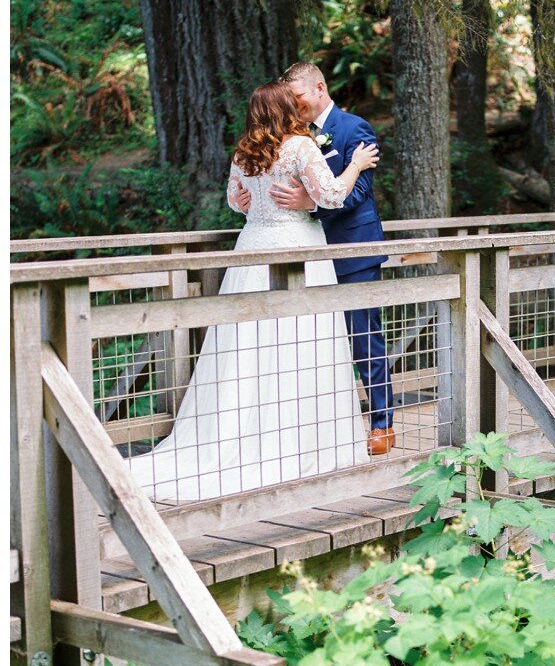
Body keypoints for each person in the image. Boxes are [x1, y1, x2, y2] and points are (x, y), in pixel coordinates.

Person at [126, 80, 380, 502]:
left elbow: (234, 201)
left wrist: (251, 201)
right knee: (300, 344)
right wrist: (354, 165)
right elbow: (333, 197)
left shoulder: (244, 152)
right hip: (297, 249)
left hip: (253, 249)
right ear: (285, 109)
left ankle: (237, 440)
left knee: (245, 345)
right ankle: (300, 444)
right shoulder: (300, 147)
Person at [232, 61, 394, 456]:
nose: (295, 103)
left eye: (299, 96)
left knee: (362, 336)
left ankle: (381, 424)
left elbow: (358, 194)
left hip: (349, 247)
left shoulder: (353, 128)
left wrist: (310, 205)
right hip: (301, 249)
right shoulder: (286, 138)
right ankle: (307, 432)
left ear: (319, 88)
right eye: (289, 99)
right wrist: (246, 202)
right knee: (303, 343)